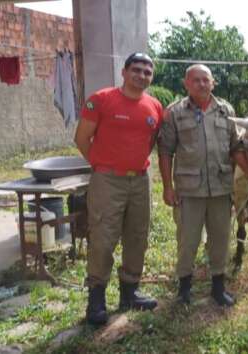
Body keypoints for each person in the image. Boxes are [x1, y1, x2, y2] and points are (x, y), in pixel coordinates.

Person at [74, 52, 163, 326]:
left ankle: (130, 291)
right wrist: (103, 166)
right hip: (107, 181)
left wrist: (132, 165)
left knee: (138, 235)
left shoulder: (155, 107)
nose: (142, 76)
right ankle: (96, 299)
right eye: (136, 70)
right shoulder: (102, 99)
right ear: (123, 72)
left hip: (140, 180)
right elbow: (81, 138)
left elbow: (149, 143)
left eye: (147, 72)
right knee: (103, 236)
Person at [158, 64, 247, 307]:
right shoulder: (175, 113)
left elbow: (236, 146)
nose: (201, 84)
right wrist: (167, 187)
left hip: (220, 187)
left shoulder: (226, 111)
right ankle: (184, 289)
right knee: (188, 240)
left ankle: (218, 288)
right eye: (195, 80)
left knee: (220, 239)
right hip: (189, 189)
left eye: (205, 80)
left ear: (213, 83)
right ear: (186, 84)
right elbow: (165, 151)